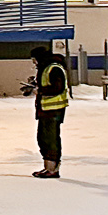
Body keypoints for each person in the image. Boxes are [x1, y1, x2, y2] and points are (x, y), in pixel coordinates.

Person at [27, 45, 70, 178]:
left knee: (50, 139)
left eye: (34, 59)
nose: (34, 62)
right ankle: (48, 166)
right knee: (43, 138)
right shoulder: (45, 68)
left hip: (54, 110)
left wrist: (40, 91)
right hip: (45, 110)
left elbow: (58, 88)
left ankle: (53, 169)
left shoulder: (54, 68)